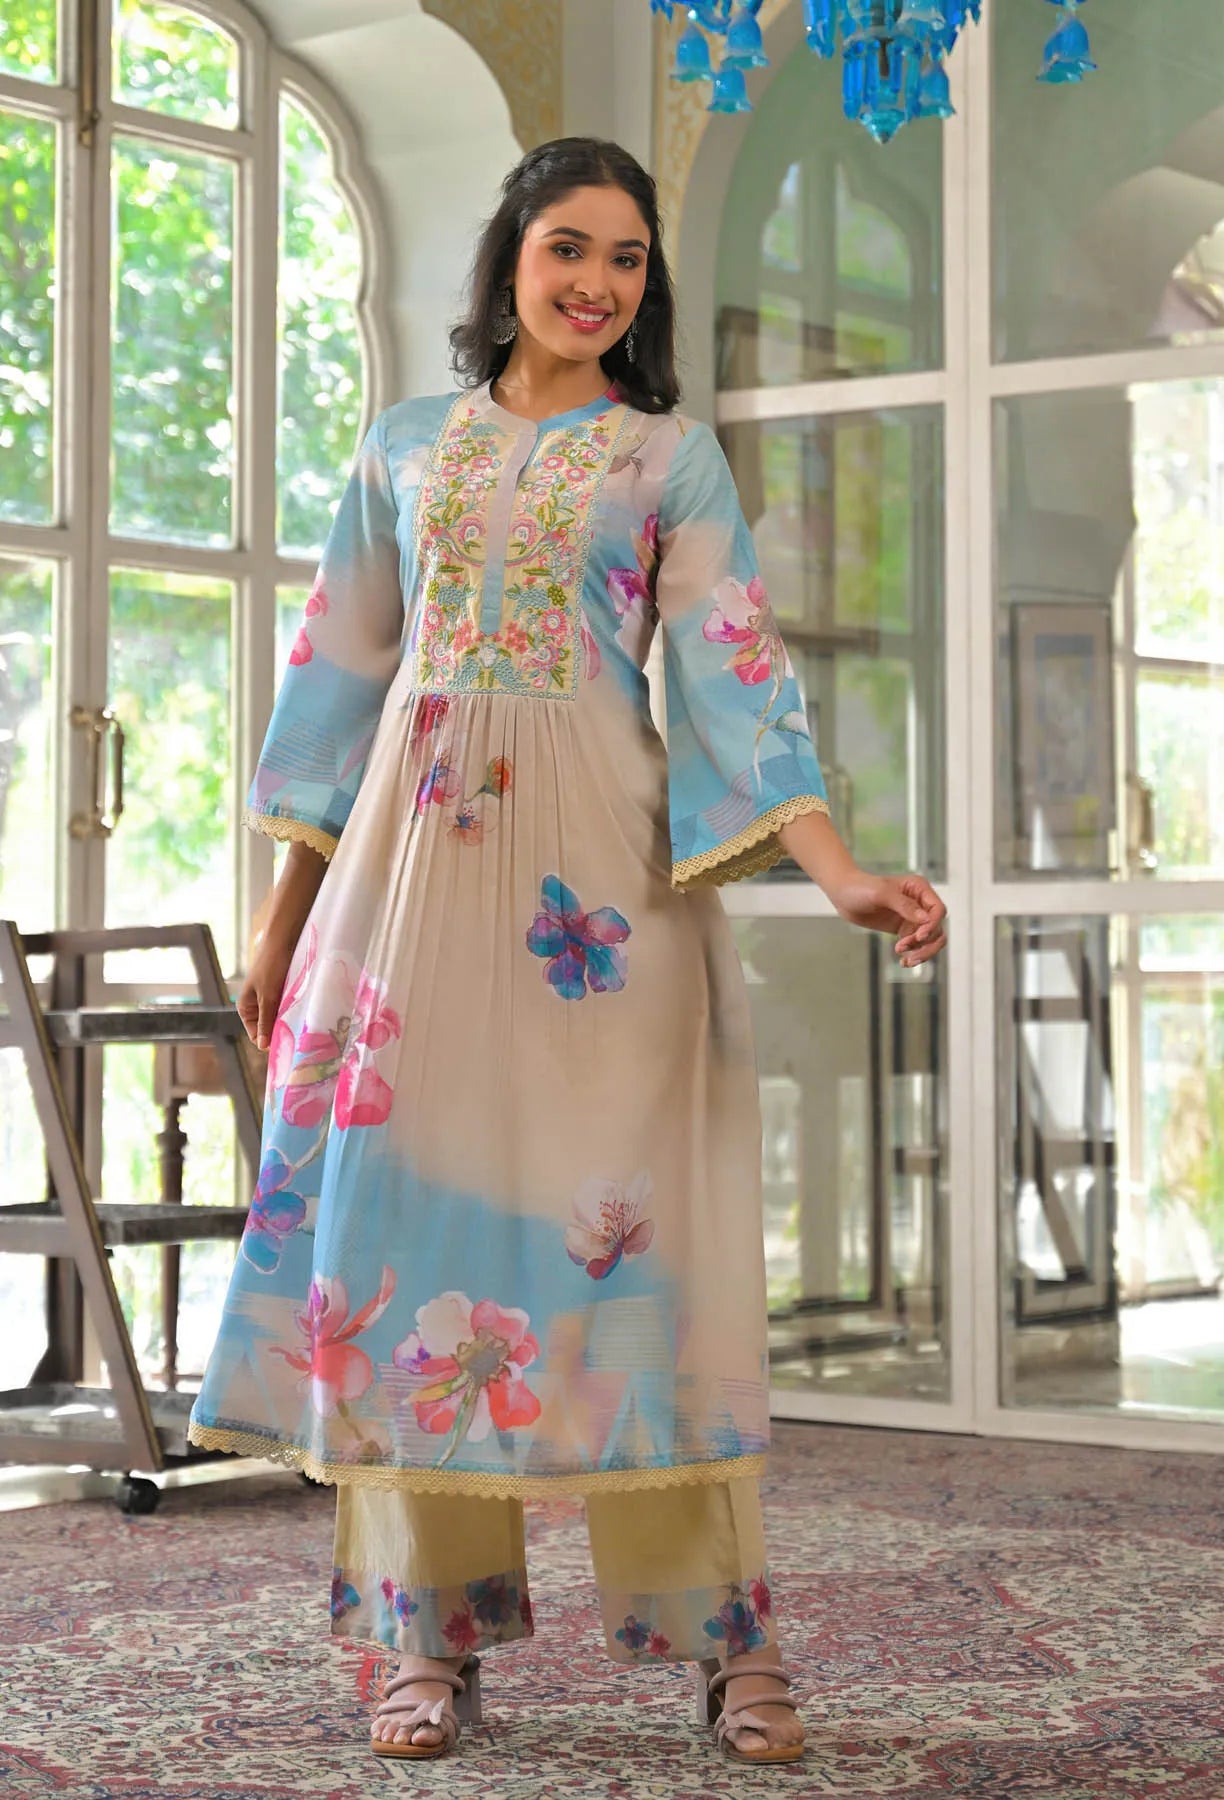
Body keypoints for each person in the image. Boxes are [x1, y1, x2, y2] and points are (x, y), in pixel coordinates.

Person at [187, 136, 947, 1767]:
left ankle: (725, 1646)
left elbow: (739, 680)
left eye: (626, 258)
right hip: (410, 890)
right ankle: (423, 1644)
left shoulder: (667, 460)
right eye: (568, 249)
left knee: (639, 1251)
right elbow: (333, 687)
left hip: (606, 891)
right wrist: (279, 922)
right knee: (411, 1233)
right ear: (511, 258)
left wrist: (840, 870)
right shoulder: (403, 448)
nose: (598, 282)